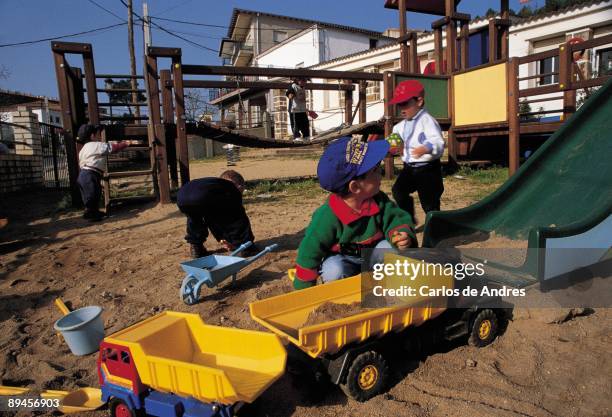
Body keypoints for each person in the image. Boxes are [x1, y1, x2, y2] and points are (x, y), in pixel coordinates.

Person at [293, 136, 416, 290]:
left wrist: (401, 234)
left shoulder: (378, 200)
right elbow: (310, 251)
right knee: (334, 271)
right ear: (355, 187)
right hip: (344, 259)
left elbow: (395, 219)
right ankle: (345, 289)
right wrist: (303, 290)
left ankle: (380, 283)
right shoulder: (327, 216)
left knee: (392, 249)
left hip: (373, 256)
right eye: (375, 170)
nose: (381, 174)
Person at [389, 80, 445, 222]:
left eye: (405, 103)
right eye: (399, 104)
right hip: (409, 168)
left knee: (429, 202)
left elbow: (438, 142)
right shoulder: (399, 126)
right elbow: (393, 140)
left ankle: (435, 228)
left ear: (419, 101)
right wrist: (392, 147)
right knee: (398, 191)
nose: (402, 108)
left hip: (428, 169)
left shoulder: (427, 121)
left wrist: (426, 148)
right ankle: (408, 218)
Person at [177, 170, 255, 259]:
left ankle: (196, 248)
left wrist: (221, 239)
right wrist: (232, 240)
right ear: (239, 186)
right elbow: (236, 219)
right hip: (201, 197)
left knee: (194, 219)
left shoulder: (213, 185)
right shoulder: (231, 188)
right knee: (237, 216)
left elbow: (211, 219)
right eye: (242, 190)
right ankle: (245, 247)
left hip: (182, 197)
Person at [76, 124, 133, 221]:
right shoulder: (96, 145)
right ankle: (92, 215)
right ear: (92, 136)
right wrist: (125, 143)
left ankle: (92, 211)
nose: (99, 136)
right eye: (97, 134)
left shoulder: (83, 149)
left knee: (90, 195)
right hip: (90, 174)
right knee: (93, 195)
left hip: (83, 175)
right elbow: (111, 148)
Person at [286, 77, 316, 142]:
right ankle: (297, 137)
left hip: (302, 109)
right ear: (298, 80)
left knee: (305, 123)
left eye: (305, 81)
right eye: (303, 80)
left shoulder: (303, 87)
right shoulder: (293, 86)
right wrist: (290, 95)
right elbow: (289, 94)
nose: (305, 82)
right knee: (295, 124)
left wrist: (307, 109)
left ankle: (306, 136)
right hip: (294, 109)